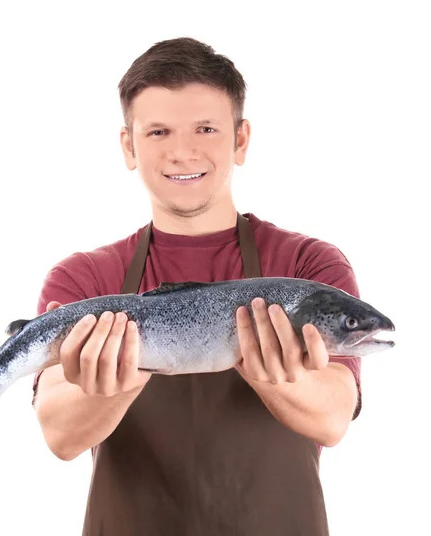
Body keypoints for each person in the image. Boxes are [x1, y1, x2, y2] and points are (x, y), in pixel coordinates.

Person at [32, 37, 362, 536]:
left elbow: (335, 415)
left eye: (205, 128)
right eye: (158, 131)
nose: (182, 151)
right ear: (129, 145)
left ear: (240, 139)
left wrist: (271, 370)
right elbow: (58, 433)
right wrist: (118, 378)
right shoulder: (84, 279)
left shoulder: (308, 266)